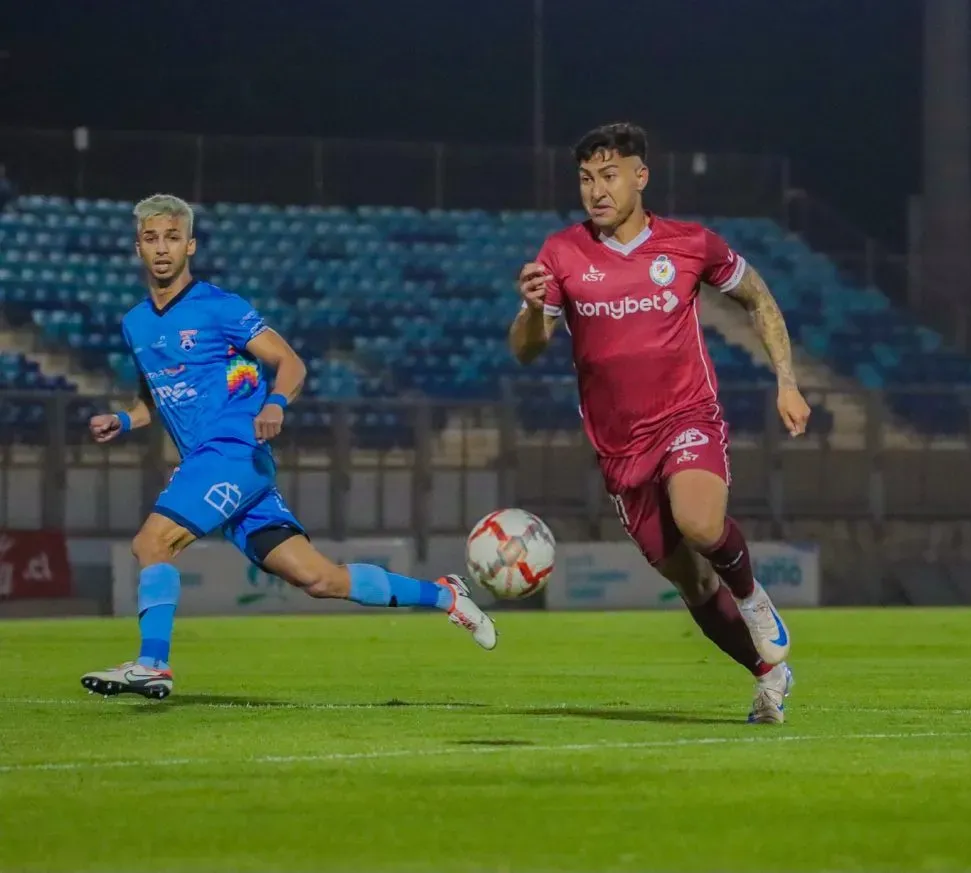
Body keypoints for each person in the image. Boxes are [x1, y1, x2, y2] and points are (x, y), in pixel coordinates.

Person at [81, 194, 496, 700]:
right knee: (318, 578)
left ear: (190, 245)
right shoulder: (136, 324)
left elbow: (291, 362)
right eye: (151, 239)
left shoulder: (221, 307)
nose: (162, 249)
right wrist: (126, 419)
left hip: (233, 453)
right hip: (221, 468)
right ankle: (446, 595)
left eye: (172, 237)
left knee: (152, 543)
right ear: (137, 249)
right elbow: (161, 393)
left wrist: (275, 403)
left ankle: (152, 663)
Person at [509, 123, 810, 724]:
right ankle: (769, 675)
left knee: (700, 522)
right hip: (620, 451)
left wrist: (787, 380)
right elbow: (526, 348)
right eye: (587, 178)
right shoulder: (560, 253)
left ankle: (754, 599)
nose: (597, 190)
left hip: (686, 416)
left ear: (640, 177)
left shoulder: (690, 244)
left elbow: (758, 297)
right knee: (694, 587)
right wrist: (534, 309)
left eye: (610, 175)